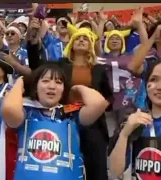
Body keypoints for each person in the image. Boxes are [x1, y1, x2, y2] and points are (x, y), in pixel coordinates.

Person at [27, 19, 113, 180]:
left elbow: (109, 97)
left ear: (91, 46)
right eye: (78, 38)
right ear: (71, 44)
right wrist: (33, 40)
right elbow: (36, 66)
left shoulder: (99, 69)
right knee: (66, 166)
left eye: (86, 38)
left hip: (93, 124)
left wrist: (98, 105)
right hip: (66, 120)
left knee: (96, 169)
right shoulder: (61, 64)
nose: (81, 40)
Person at [1, 62, 109, 180]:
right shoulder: (26, 112)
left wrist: (76, 88)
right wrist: (20, 83)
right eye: (45, 81)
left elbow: (99, 103)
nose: (52, 86)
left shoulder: (71, 114)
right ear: (35, 87)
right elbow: (9, 109)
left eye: (58, 82)